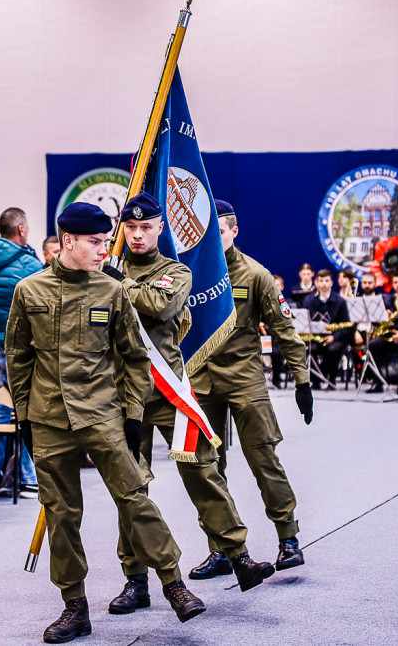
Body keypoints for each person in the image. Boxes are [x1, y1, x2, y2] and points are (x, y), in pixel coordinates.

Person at [6, 201, 206, 642]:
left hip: (102, 414)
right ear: (68, 241)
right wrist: (23, 416)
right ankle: (74, 608)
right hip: (49, 419)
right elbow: (18, 359)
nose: (104, 251)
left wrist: (133, 414)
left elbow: (135, 357)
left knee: (135, 498)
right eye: (96, 243)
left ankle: (173, 585)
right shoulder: (29, 290)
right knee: (61, 514)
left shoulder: (112, 291)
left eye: (105, 242)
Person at [103, 193, 275, 615]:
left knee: (203, 472)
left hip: (168, 392)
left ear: (160, 228)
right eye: (131, 227)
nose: (138, 234)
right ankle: (135, 580)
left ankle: (238, 556)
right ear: (122, 229)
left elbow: (158, 305)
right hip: (122, 397)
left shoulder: (175, 272)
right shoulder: (104, 272)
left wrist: (115, 283)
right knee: (132, 490)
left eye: (146, 227)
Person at [189, 200, 314, 580]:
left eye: (222, 231)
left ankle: (288, 539)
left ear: (234, 231)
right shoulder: (191, 272)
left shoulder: (257, 275)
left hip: (245, 379)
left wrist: (302, 380)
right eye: (210, 232)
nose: (215, 238)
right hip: (201, 382)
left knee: (264, 461)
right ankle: (222, 549)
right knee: (207, 468)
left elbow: (285, 331)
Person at [0, 207, 43, 496]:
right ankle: (29, 479)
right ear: (21, 230)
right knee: (30, 411)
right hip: (21, 346)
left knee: (0, 410)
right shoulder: (30, 264)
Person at [365, 271, 398, 393]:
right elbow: (376, 322)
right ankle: (378, 382)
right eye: (395, 282)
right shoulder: (388, 299)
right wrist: (382, 316)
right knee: (373, 345)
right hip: (390, 335)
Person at [302, 269, 352, 388]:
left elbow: (346, 326)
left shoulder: (340, 301)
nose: (324, 284)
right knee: (308, 349)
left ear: (331, 283)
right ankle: (316, 381)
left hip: (334, 338)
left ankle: (331, 379)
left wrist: (334, 337)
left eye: (327, 281)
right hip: (314, 337)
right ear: (317, 283)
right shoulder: (309, 301)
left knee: (333, 350)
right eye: (321, 281)